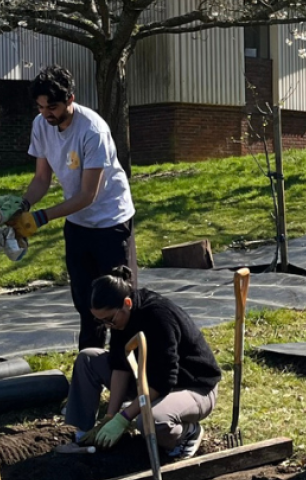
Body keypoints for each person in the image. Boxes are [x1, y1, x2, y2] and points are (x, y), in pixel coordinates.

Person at [12, 64, 137, 350]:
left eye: (52, 106)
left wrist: (40, 218)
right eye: (41, 107)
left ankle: (127, 373)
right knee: (86, 302)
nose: (46, 113)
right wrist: (22, 206)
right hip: (78, 224)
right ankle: (90, 370)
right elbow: (42, 179)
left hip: (111, 222)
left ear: (70, 98)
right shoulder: (41, 125)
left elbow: (87, 195)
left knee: (119, 302)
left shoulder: (93, 130)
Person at [65, 266, 221, 458]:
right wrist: (110, 416)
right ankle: (84, 434)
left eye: (109, 320)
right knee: (87, 359)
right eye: (102, 322)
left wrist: (124, 418)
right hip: (146, 380)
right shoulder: (120, 319)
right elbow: (120, 366)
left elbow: (163, 380)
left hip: (192, 387)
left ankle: (188, 432)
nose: (108, 326)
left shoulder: (159, 316)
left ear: (127, 303)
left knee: (151, 421)